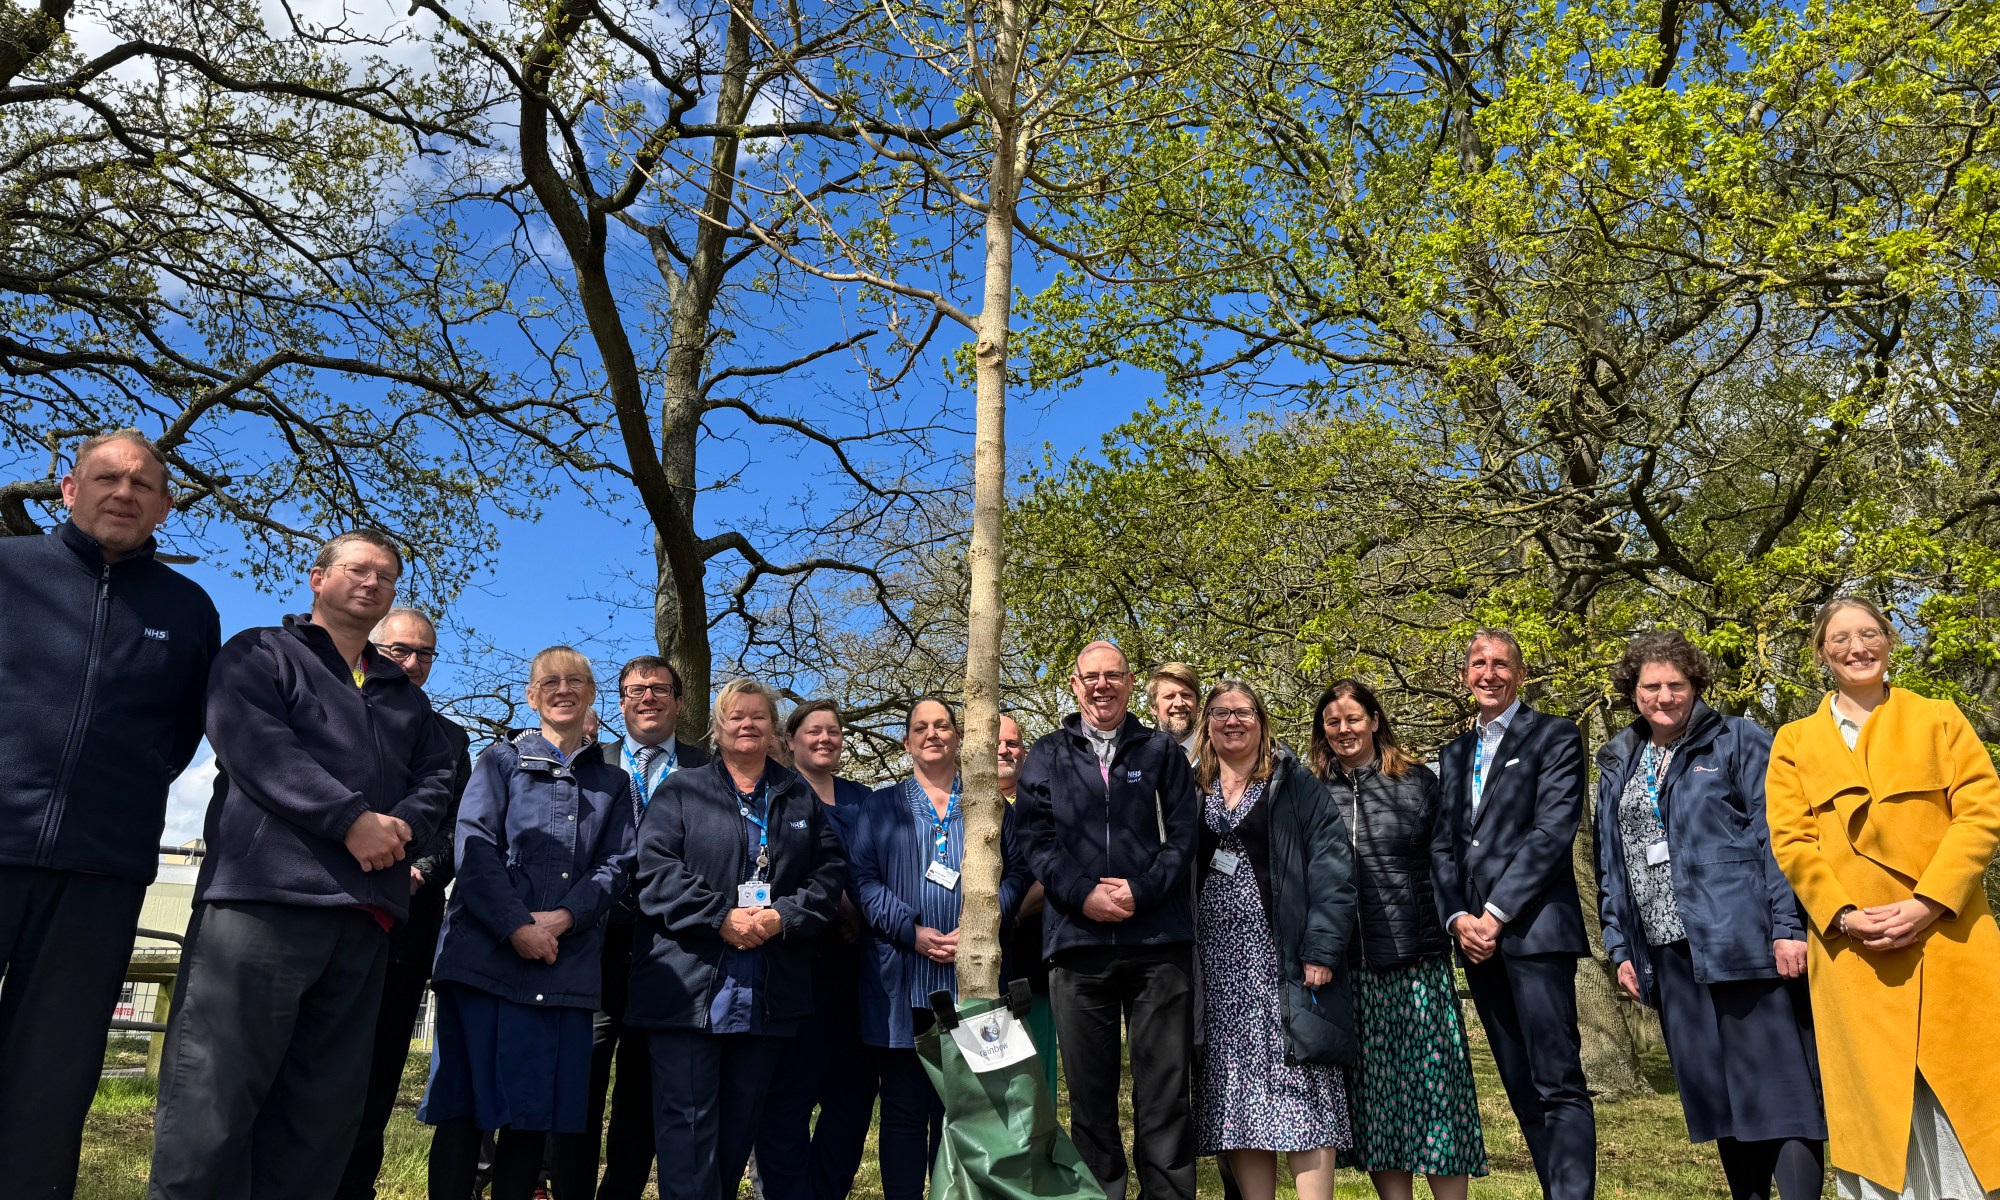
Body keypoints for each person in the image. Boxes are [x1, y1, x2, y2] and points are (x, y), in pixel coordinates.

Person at [148, 529, 457, 1200]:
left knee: (319, 1119)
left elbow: (438, 774)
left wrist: (400, 827)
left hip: (364, 919)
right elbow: (257, 747)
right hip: (263, 905)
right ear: (317, 579)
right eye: (357, 569)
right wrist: (351, 821)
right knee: (214, 1103)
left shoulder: (406, 697)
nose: (372, 582)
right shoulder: (259, 653)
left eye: (385, 576)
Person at [0, 429, 220, 1198]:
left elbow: (183, 734)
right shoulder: (8, 569)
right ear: (69, 490)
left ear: (165, 507)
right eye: (106, 478)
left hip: (101, 871)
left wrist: (117, 796)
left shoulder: (188, 610)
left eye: (142, 485)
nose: (123, 493)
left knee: (50, 1080)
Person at [1766, 598, 2000, 1200]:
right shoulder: (1794, 741)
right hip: (1855, 954)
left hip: (1949, 939)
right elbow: (1792, 842)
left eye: (1869, 634)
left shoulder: (1939, 718)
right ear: (1822, 653)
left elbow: (1980, 816)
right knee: (1875, 1118)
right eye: (1841, 639)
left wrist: (1928, 903)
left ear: (1890, 643)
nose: (1857, 648)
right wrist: (1844, 916)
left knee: (1970, 1104)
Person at [1592, 631, 1825, 1199]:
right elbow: (1611, 862)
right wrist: (1621, 948)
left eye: (1676, 684)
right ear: (1632, 692)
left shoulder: (1739, 739)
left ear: (1696, 685)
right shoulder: (1620, 759)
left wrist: (1788, 928)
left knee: (1781, 1097)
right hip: (1668, 954)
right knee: (1720, 1101)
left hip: (1744, 945)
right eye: (1651, 686)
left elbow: (1779, 840)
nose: (1664, 696)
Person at [420, 646, 635, 1199]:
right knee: (463, 1112)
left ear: (592, 694)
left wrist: (563, 918)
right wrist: (517, 926)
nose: (563, 689)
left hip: (564, 968)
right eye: (550, 681)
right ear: (531, 695)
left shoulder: (613, 784)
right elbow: (474, 850)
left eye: (576, 680)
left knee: (532, 1116)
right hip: (483, 961)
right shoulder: (499, 762)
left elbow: (616, 865)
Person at [626, 678, 846, 1200]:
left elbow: (830, 874)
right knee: (687, 1129)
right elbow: (655, 871)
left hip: (767, 993)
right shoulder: (681, 790)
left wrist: (781, 917)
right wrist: (720, 917)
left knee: (737, 1130)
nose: (747, 724)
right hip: (688, 992)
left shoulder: (799, 796)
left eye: (758, 716)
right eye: (735, 716)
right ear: (717, 727)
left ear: (774, 730)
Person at [1015, 639, 1201, 1200]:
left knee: (1165, 1095)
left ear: (1129, 683)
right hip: (1077, 945)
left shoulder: (1161, 752)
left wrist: (1141, 892)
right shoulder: (1046, 755)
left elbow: (1184, 838)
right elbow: (1036, 842)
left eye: (1113, 675)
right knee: (1090, 1099)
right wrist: (1083, 895)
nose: (1102, 686)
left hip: (1158, 943)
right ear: (1074, 684)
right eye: (1091, 676)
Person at [1430, 627, 1595, 1200]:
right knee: (1521, 1088)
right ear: (1465, 677)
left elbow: (1551, 833)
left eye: (1501, 664)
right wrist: (1458, 918)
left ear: (1520, 675)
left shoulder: (1555, 735)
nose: (1489, 674)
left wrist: (1494, 915)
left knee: (1558, 1083)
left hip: (1535, 933)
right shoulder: (1454, 754)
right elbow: (1444, 846)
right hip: (1476, 943)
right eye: (1478, 664)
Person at [1314, 679, 1488, 1200]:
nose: (1344, 729)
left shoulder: (1417, 781)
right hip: (1354, 972)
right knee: (1380, 1106)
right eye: (1332, 722)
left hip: (1418, 964)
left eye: (1353, 718)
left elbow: (1448, 864)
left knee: (1438, 1101)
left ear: (1374, 720)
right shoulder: (1312, 791)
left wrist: (1461, 921)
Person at [550, 656, 710, 1200]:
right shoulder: (590, 764)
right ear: (618, 703)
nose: (648, 698)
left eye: (660, 689)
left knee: (643, 1092)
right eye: (635, 690)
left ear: (680, 702)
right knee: (580, 1082)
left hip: (671, 949)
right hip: (592, 946)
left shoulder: (707, 769)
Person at [1190, 680, 1355, 1200]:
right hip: (1218, 969)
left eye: (1243, 712)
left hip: (1282, 962)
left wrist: (1321, 949)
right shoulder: (1193, 788)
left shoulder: (1294, 783)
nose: (1232, 721)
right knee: (1238, 1098)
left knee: (1302, 1092)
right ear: (1206, 725)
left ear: (1261, 722)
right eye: (1220, 713)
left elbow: (1333, 867)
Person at [847, 698, 1017, 1200]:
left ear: (959, 737)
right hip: (903, 982)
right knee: (904, 1112)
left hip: (975, 982)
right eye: (920, 728)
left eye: (942, 725)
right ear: (906, 742)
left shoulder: (988, 804)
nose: (932, 734)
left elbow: (1020, 874)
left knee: (970, 1112)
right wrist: (910, 930)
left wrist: (979, 925)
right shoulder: (879, 806)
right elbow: (862, 881)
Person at [336, 608, 475, 1200]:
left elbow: (458, 826)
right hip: (329, 909)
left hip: (406, 920)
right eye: (400, 651)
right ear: (372, 649)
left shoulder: (451, 739)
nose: (413, 663)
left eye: (424, 654)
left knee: (380, 1068)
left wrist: (420, 870)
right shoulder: (334, 711)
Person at [756, 700, 877, 1200]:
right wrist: (838, 906)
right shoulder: (774, 796)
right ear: (791, 740)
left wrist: (863, 912)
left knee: (852, 1098)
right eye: (813, 731)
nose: (825, 739)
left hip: (859, 967)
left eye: (833, 731)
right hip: (795, 965)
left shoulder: (867, 800)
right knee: (788, 1096)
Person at [997, 711, 1061, 1099]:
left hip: (1030, 959)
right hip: (970, 962)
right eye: (996, 742)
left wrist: (1016, 911)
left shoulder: (1044, 802)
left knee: (1035, 1077)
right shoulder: (956, 804)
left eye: (1013, 743)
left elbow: (1057, 867)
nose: (1004, 749)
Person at [1147, 662, 1203, 759]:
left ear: (1197, 704)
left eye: (1186, 695)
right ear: (1153, 707)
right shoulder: (1139, 757)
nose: (1179, 703)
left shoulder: (1218, 754)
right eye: (1169, 696)